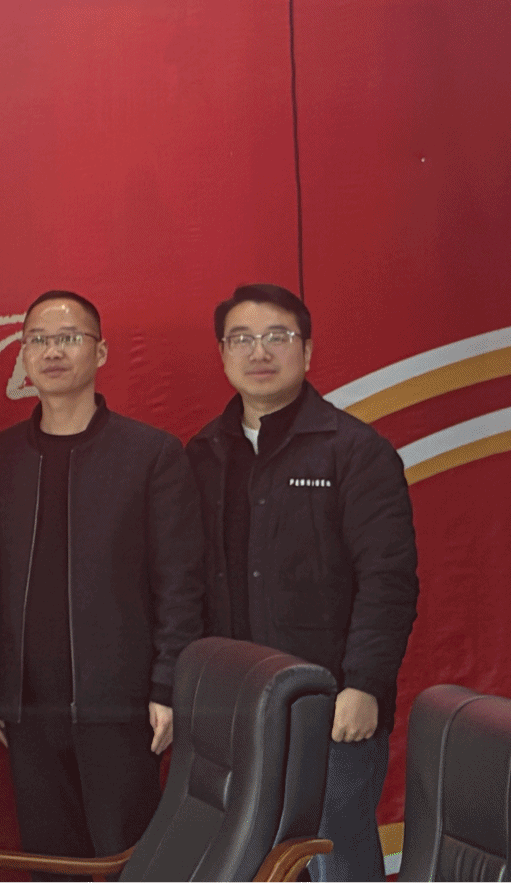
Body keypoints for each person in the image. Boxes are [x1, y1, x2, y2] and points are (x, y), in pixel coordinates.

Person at [187, 284, 417, 884]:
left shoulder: (355, 451)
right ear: (223, 354)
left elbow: (388, 581)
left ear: (308, 351)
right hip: (237, 705)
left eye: (277, 336)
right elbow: (188, 582)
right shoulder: (204, 454)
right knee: (248, 860)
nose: (259, 351)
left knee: (337, 854)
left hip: (331, 704)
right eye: (241, 338)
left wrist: (364, 684)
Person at [0, 291, 203, 870]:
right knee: (49, 864)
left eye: (68, 338)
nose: (52, 351)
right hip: (27, 709)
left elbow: (180, 583)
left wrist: (167, 686)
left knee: (126, 861)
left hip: (121, 706)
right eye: (38, 340)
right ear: (23, 355)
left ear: (100, 352)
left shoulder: (150, 454)